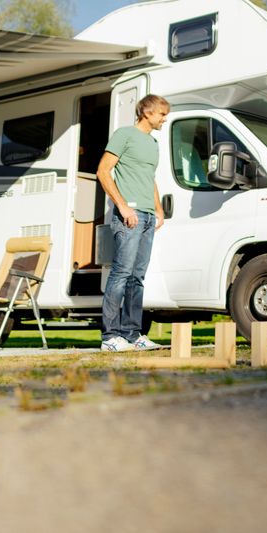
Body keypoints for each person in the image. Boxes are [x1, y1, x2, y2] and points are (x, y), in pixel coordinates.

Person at [96, 94, 171, 352]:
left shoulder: (153, 143)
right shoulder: (124, 135)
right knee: (121, 273)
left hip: (148, 217)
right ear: (148, 112)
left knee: (137, 278)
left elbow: (149, 179)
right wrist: (123, 205)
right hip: (129, 215)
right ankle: (110, 337)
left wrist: (158, 210)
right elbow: (103, 171)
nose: (164, 119)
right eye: (162, 114)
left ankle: (132, 333)